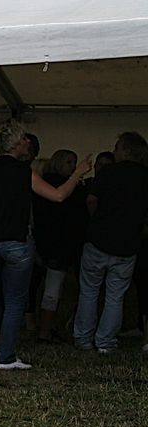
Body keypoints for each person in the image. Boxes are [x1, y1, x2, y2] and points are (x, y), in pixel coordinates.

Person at [0, 120, 91, 369]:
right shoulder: (24, 172)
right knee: (14, 300)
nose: (27, 142)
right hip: (16, 242)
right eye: (24, 139)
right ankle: (6, 356)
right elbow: (57, 195)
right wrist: (78, 174)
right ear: (15, 144)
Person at [73, 131, 148, 353]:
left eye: (117, 147)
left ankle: (83, 339)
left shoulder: (108, 173)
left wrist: (96, 221)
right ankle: (105, 341)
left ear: (127, 150)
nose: (114, 151)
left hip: (98, 239)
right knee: (116, 294)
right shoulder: (146, 176)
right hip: (128, 243)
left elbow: (91, 200)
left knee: (89, 291)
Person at [31, 149, 88, 342]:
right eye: (69, 162)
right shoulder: (62, 187)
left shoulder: (42, 183)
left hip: (44, 240)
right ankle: (45, 330)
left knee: (40, 286)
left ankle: (42, 324)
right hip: (58, 243)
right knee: (52, 288)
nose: (72, 166)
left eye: (75, 163)